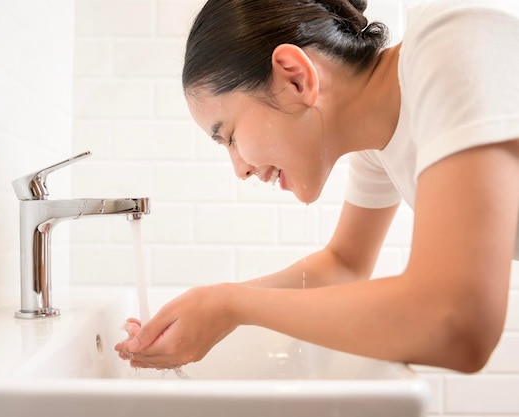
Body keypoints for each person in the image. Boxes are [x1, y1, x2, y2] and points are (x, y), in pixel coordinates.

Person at [115, 0, 519, 373]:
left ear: (295, 78)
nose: (239, 169)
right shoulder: (378, 140)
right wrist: (213, 301)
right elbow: (344, 265)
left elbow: (459, 323)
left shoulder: (452, 41)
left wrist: (232, 306)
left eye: (231, 136)